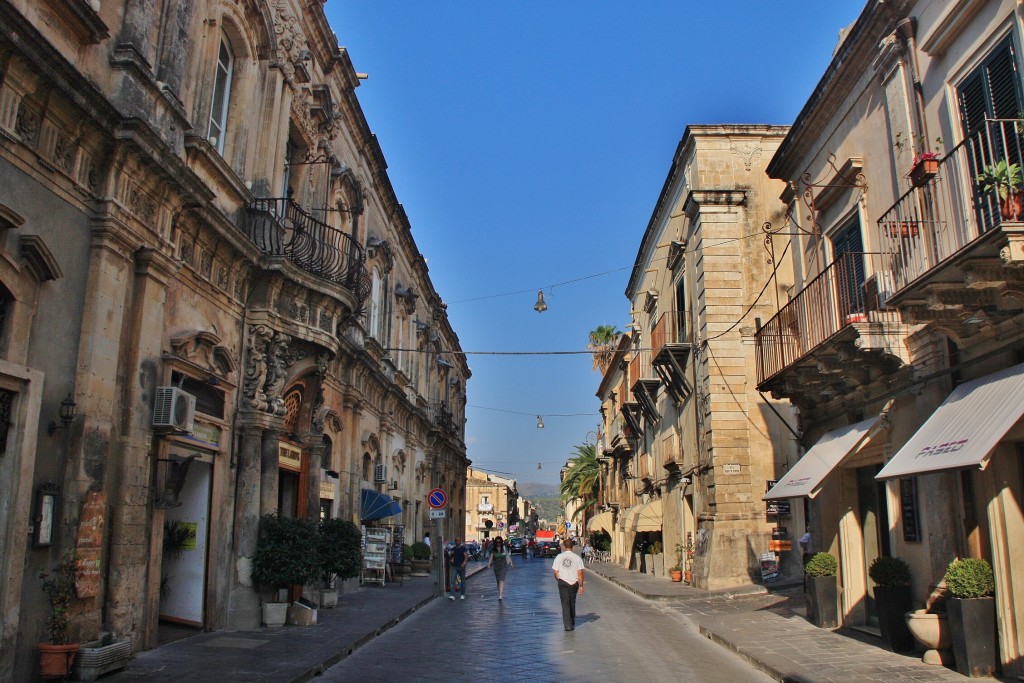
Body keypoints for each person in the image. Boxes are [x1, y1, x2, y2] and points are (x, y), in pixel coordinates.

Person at [551, 538, 584, 631]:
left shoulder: (559, 557)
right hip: (574, 583)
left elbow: (555, 571)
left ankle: (567, 625)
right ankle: (572, 621)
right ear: (572, 546)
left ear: (564, 547)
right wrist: (581, 585)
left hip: (563, 582)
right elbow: (580, 573)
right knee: (572, 602)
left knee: (565, 603)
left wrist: (559, 580)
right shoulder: (577, 558)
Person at [486, 536, 514, 600]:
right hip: (496, 566)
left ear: (501, 542)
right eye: (497, 542)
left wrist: (511, 563)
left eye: (499, 542)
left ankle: (500, 595)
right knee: (498, 581)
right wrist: (489, 564)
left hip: (503, 566)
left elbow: (507, 556)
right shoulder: (493, 549)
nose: (498, 543)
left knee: (501, 580)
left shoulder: (504, 548)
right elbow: (491, 557)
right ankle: (500, 593)